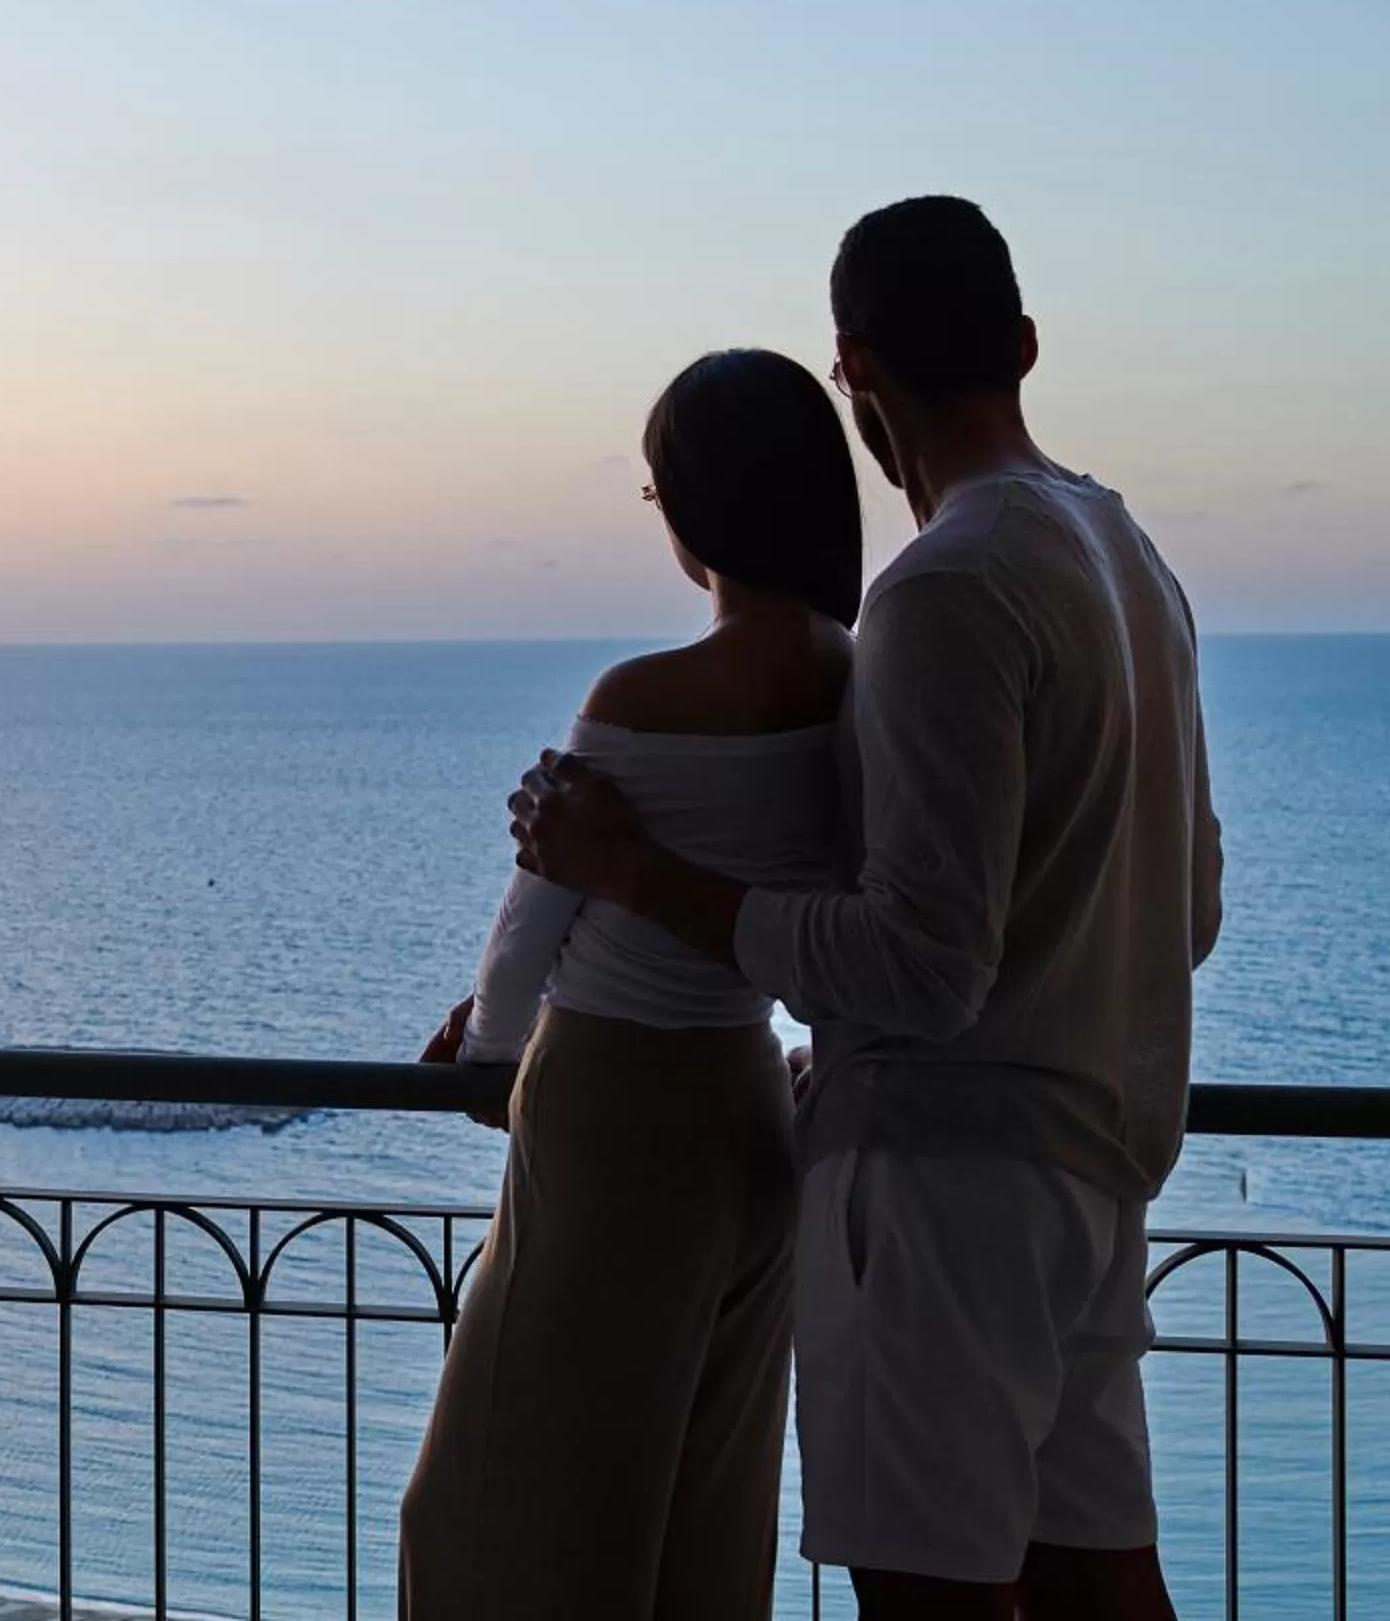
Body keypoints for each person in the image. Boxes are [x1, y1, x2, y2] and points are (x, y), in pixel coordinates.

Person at [510, 197, 1222, 1620]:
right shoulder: (1128, 557)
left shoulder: (948, 588)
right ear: (1023, 344)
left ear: (855, 375)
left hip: (948, 1194)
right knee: (1099, 1587)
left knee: (929, 1597)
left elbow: (921, 964)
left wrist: (635, 874)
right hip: (1098, 1157)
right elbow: (1187, 903)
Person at [400, 347, 861, 1620]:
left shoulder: (640, 695)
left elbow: (533, 916)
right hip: (751, 1104)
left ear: (697, 506)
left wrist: (493, 1055)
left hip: (610, 1114)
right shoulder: (860, 682)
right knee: (699, 1506)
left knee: (496, 1502)